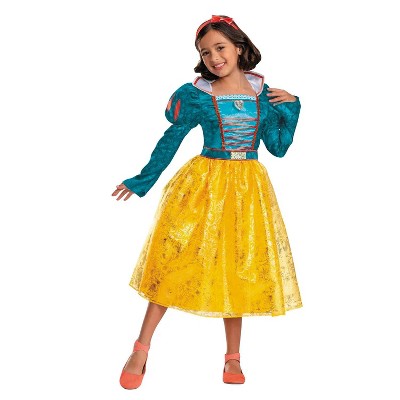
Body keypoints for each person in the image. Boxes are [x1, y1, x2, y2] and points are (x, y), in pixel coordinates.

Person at [112, 14, 303, 389]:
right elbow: (171, 140)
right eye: (205, 52)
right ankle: (141, 348)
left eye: (220, 47)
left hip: (248, 190)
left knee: (237, 265)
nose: (214, 57)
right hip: (204, 186)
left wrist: (293, 107)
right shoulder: (198, 94)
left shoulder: (264, 96)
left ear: (239, 48)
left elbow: (278, 148)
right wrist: (142, 180)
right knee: (174, 261)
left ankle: (233, 357)